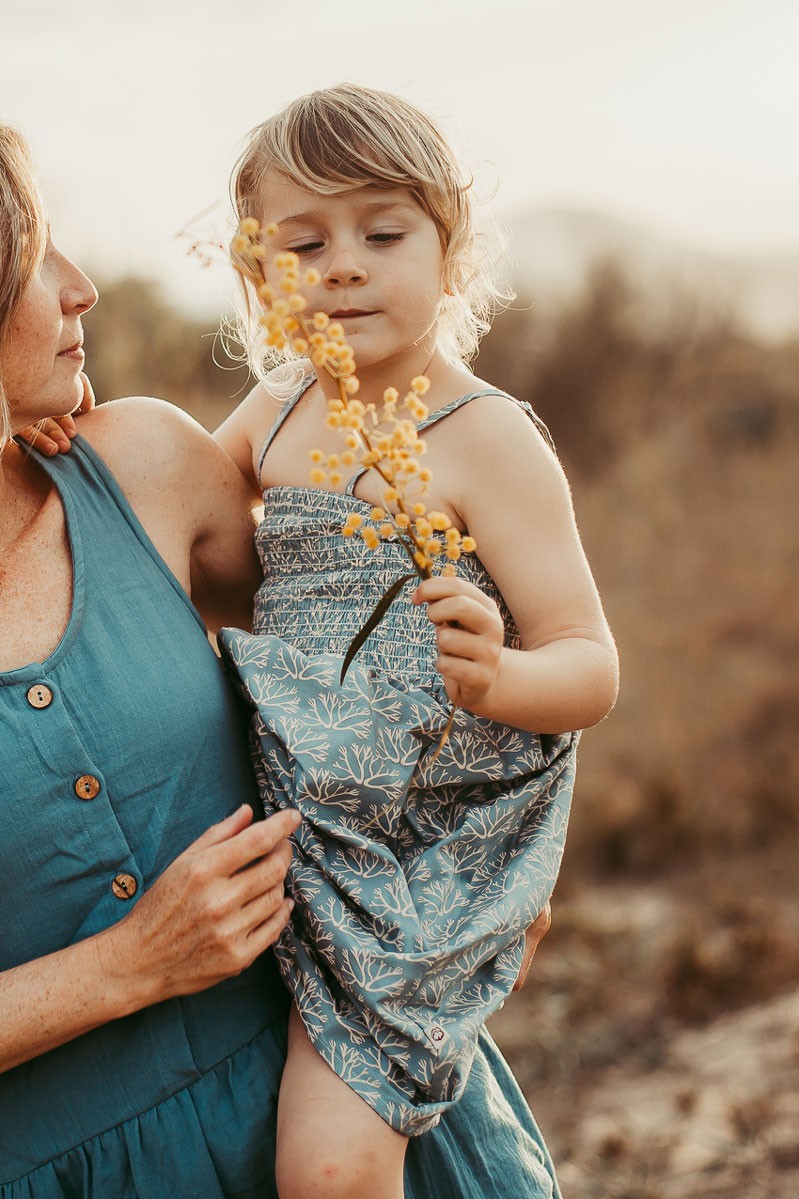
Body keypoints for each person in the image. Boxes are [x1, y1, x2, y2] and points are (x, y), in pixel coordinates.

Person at [0, 120, 567, 1199]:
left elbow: (387, 659)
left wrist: (483, 871)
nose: (83, 290)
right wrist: (119, 969)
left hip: (347, 1101)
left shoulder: (144, 471)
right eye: (35, 263)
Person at [214, 85, 619, 1199]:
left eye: (382, 232)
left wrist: (500, 673)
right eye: (303, 242)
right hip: (312, 826)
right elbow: (168, 525)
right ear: (260, 275)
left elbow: (589, 662)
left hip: (426, 856)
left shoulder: (484, 437)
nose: (342, 265)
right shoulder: (275, 412)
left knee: (331, 1166)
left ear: (451, 252)